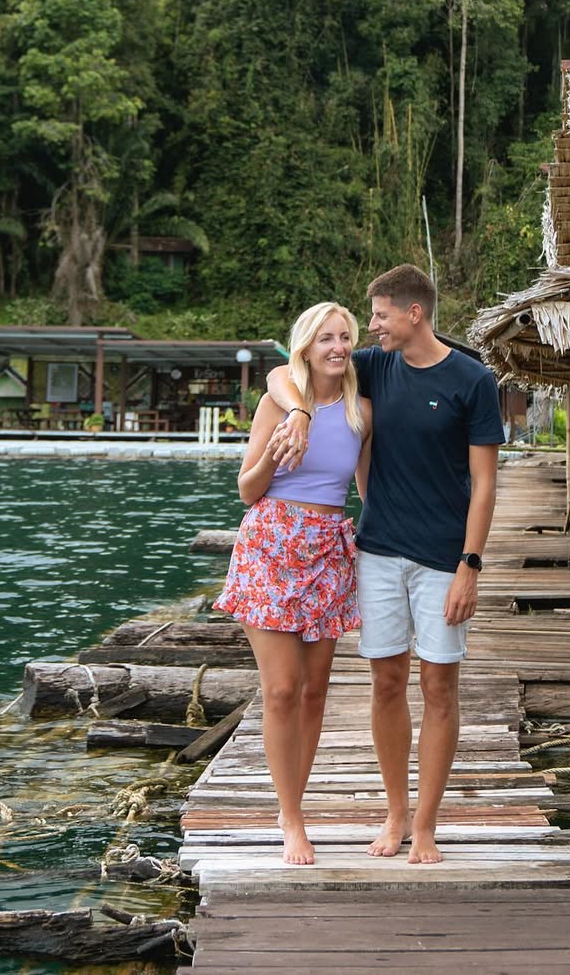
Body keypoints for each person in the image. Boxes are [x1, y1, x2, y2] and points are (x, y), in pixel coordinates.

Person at [266, 264, 502, 864]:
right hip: (376, 553)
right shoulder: (375, 367)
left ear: (412, 314)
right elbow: (280, 371)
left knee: (439, 685)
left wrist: (470, 565)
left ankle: (426, 825)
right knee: (388, 682)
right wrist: (296, 413)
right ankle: (395, 815)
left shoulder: (473, 380)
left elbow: (484, 483)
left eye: (378, 316)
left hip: (444, 560)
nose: (368, 329)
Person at [214, 302, 371, 866]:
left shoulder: (361, 410)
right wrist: (279, 451)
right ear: (305, 346)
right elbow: (246, 489)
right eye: (325, 338)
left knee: (314, 691)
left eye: (345, 337)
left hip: (329, 548)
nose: (337, 346)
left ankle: (295, 802)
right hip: (271, 543)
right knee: (280, 689)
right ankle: (292, 817)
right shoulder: (277, 402)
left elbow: (369, 490)